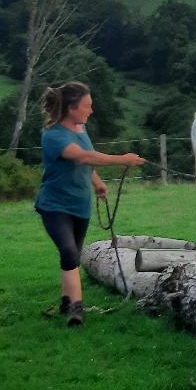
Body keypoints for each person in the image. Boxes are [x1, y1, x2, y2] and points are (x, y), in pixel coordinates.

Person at [35, 82, 145, 327]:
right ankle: (76, 309)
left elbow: (85, 160)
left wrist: (96, 182)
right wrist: (122, 159)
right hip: (55, 205)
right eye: (87, 106)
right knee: (69, 252)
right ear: (71, 108)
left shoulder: (81, 128)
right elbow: (82, 156)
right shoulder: (53, 135)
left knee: (71, 254)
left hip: (80, 205)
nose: (91, 110)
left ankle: (66, 301)